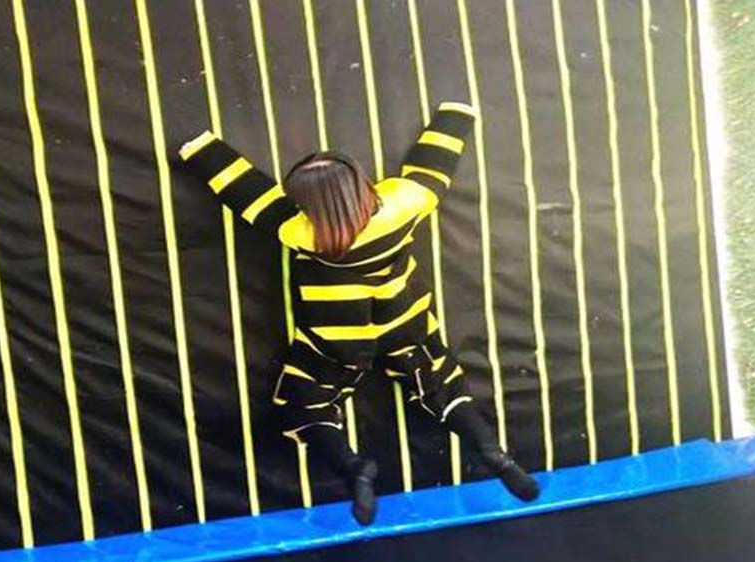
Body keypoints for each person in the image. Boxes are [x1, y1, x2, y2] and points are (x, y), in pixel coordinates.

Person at [178, 101, 539, 526]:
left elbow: (249, 193)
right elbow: (434, 164)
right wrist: (455, 116)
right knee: (441, 386)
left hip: (338, 337)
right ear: (359, 182)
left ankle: (354, 469)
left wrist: (201, 149)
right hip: (405, 323)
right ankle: (493, 453)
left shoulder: (300, 231)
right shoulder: (404, 204)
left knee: (304, 403)